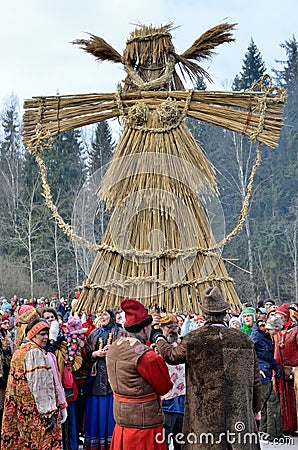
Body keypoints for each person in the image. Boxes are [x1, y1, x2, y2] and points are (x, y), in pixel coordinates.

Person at [151, 287, 262, 450]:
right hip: (239, 415)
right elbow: (255, 380)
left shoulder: (194, 339)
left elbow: (170, 356)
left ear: (203, 314)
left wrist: (158, 337)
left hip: (205, 419)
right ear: (225, 313)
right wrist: (256, 409)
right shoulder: (244, 339)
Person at [106, 298, 173, 450]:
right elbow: (164, 387)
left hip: (122, 421)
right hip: (144, 425)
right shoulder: (147, 356)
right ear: (144, 329)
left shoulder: (114, 348)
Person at [1, 318, 68, 449]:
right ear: (33, 334)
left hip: (21, 412)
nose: (46, 337)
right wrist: (49, 414)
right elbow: (41, 388)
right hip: (36, 414)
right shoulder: (36, 354)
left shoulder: (20, 351)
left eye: (47, 334)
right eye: (42, 334)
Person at [84, 309, 126, 450]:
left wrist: (113, 350)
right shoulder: (93, 334)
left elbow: (126, 353)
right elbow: (85, 357)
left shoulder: (120, 332)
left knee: (111, 412)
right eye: (99, 314)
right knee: (97, 412)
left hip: (114, 379)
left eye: (105, 314)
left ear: (111, 316)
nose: (102, 317)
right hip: (96, 381)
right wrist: (95, 354)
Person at [250, 316, 284, 442]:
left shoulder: (265, 336)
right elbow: (250, 352)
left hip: (265, 370)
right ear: (271, 328)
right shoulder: (257, 336)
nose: (277, 333)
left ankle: (263, 431)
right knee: (272, 401)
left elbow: (267, 355)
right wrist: (258, 369)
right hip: (260, 373)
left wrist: (276, 367)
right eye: (276, 330)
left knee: (264, 402)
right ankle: (273, 433)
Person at [159, 313, 185, 450]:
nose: (173, 330)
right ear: (161, 327)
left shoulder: (181, 344)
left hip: (182, 401)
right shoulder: (154, 346)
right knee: (163, 439)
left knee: (180, 440)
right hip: (165, 402)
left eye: (175, 326)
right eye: (169, 326)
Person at [272, 304, 298, 434]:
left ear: (285, 317)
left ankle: (295, 426)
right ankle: (284, 426)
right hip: (278, 370)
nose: (277, 318)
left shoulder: (295, 330)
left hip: (293, 370)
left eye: (280, 316)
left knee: (294, 398)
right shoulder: (275, 331)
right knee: (279, 397)